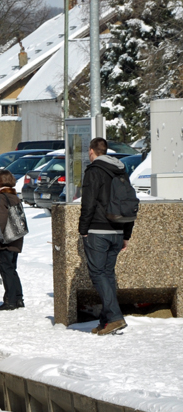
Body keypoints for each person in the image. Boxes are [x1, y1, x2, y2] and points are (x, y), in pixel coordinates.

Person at [79, 137, 134, 335]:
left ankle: (115, 317)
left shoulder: (93, 171)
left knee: (97, 273)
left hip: (98, 231)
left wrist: (83, 229)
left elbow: (88, 202)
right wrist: (126, 234)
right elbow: (129, 202)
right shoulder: (121, 171)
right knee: (107, 274)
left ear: (91, 151)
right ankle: (106, 321)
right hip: (118, 230)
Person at [0, 169, 24, 311]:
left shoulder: (1, 198)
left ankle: (10, 300)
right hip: (16, 238)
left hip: (5, 240)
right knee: (12, 269)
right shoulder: (14, 196)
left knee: (6, 270)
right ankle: (18, 298)